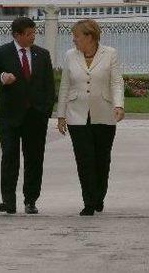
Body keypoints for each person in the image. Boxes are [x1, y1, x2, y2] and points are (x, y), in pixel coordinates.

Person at [0, 16, 56, 214]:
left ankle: (31, 200)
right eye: (29, 34)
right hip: (10, 117)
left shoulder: (42, 54)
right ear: (17, 35)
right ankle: (8, 201)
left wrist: (46, 111)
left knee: (34, 159)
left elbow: (49, 86)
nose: (33, 37)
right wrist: (2, 78)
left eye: (34, 33)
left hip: (36, 117)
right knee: (10, 158)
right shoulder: (1, 52)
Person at [56, 19, 125, 216]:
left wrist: (119, 105)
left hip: (104, 113)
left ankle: (99, 196)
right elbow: (65, 86)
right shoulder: (70, 55)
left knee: (101, 159)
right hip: (76, 115)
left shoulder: (110, 53)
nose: (73, 40)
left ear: (90, 37)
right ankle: (88, 201)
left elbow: (117, 83)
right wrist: (61, 115)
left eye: (77, 36)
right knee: (84, 159)